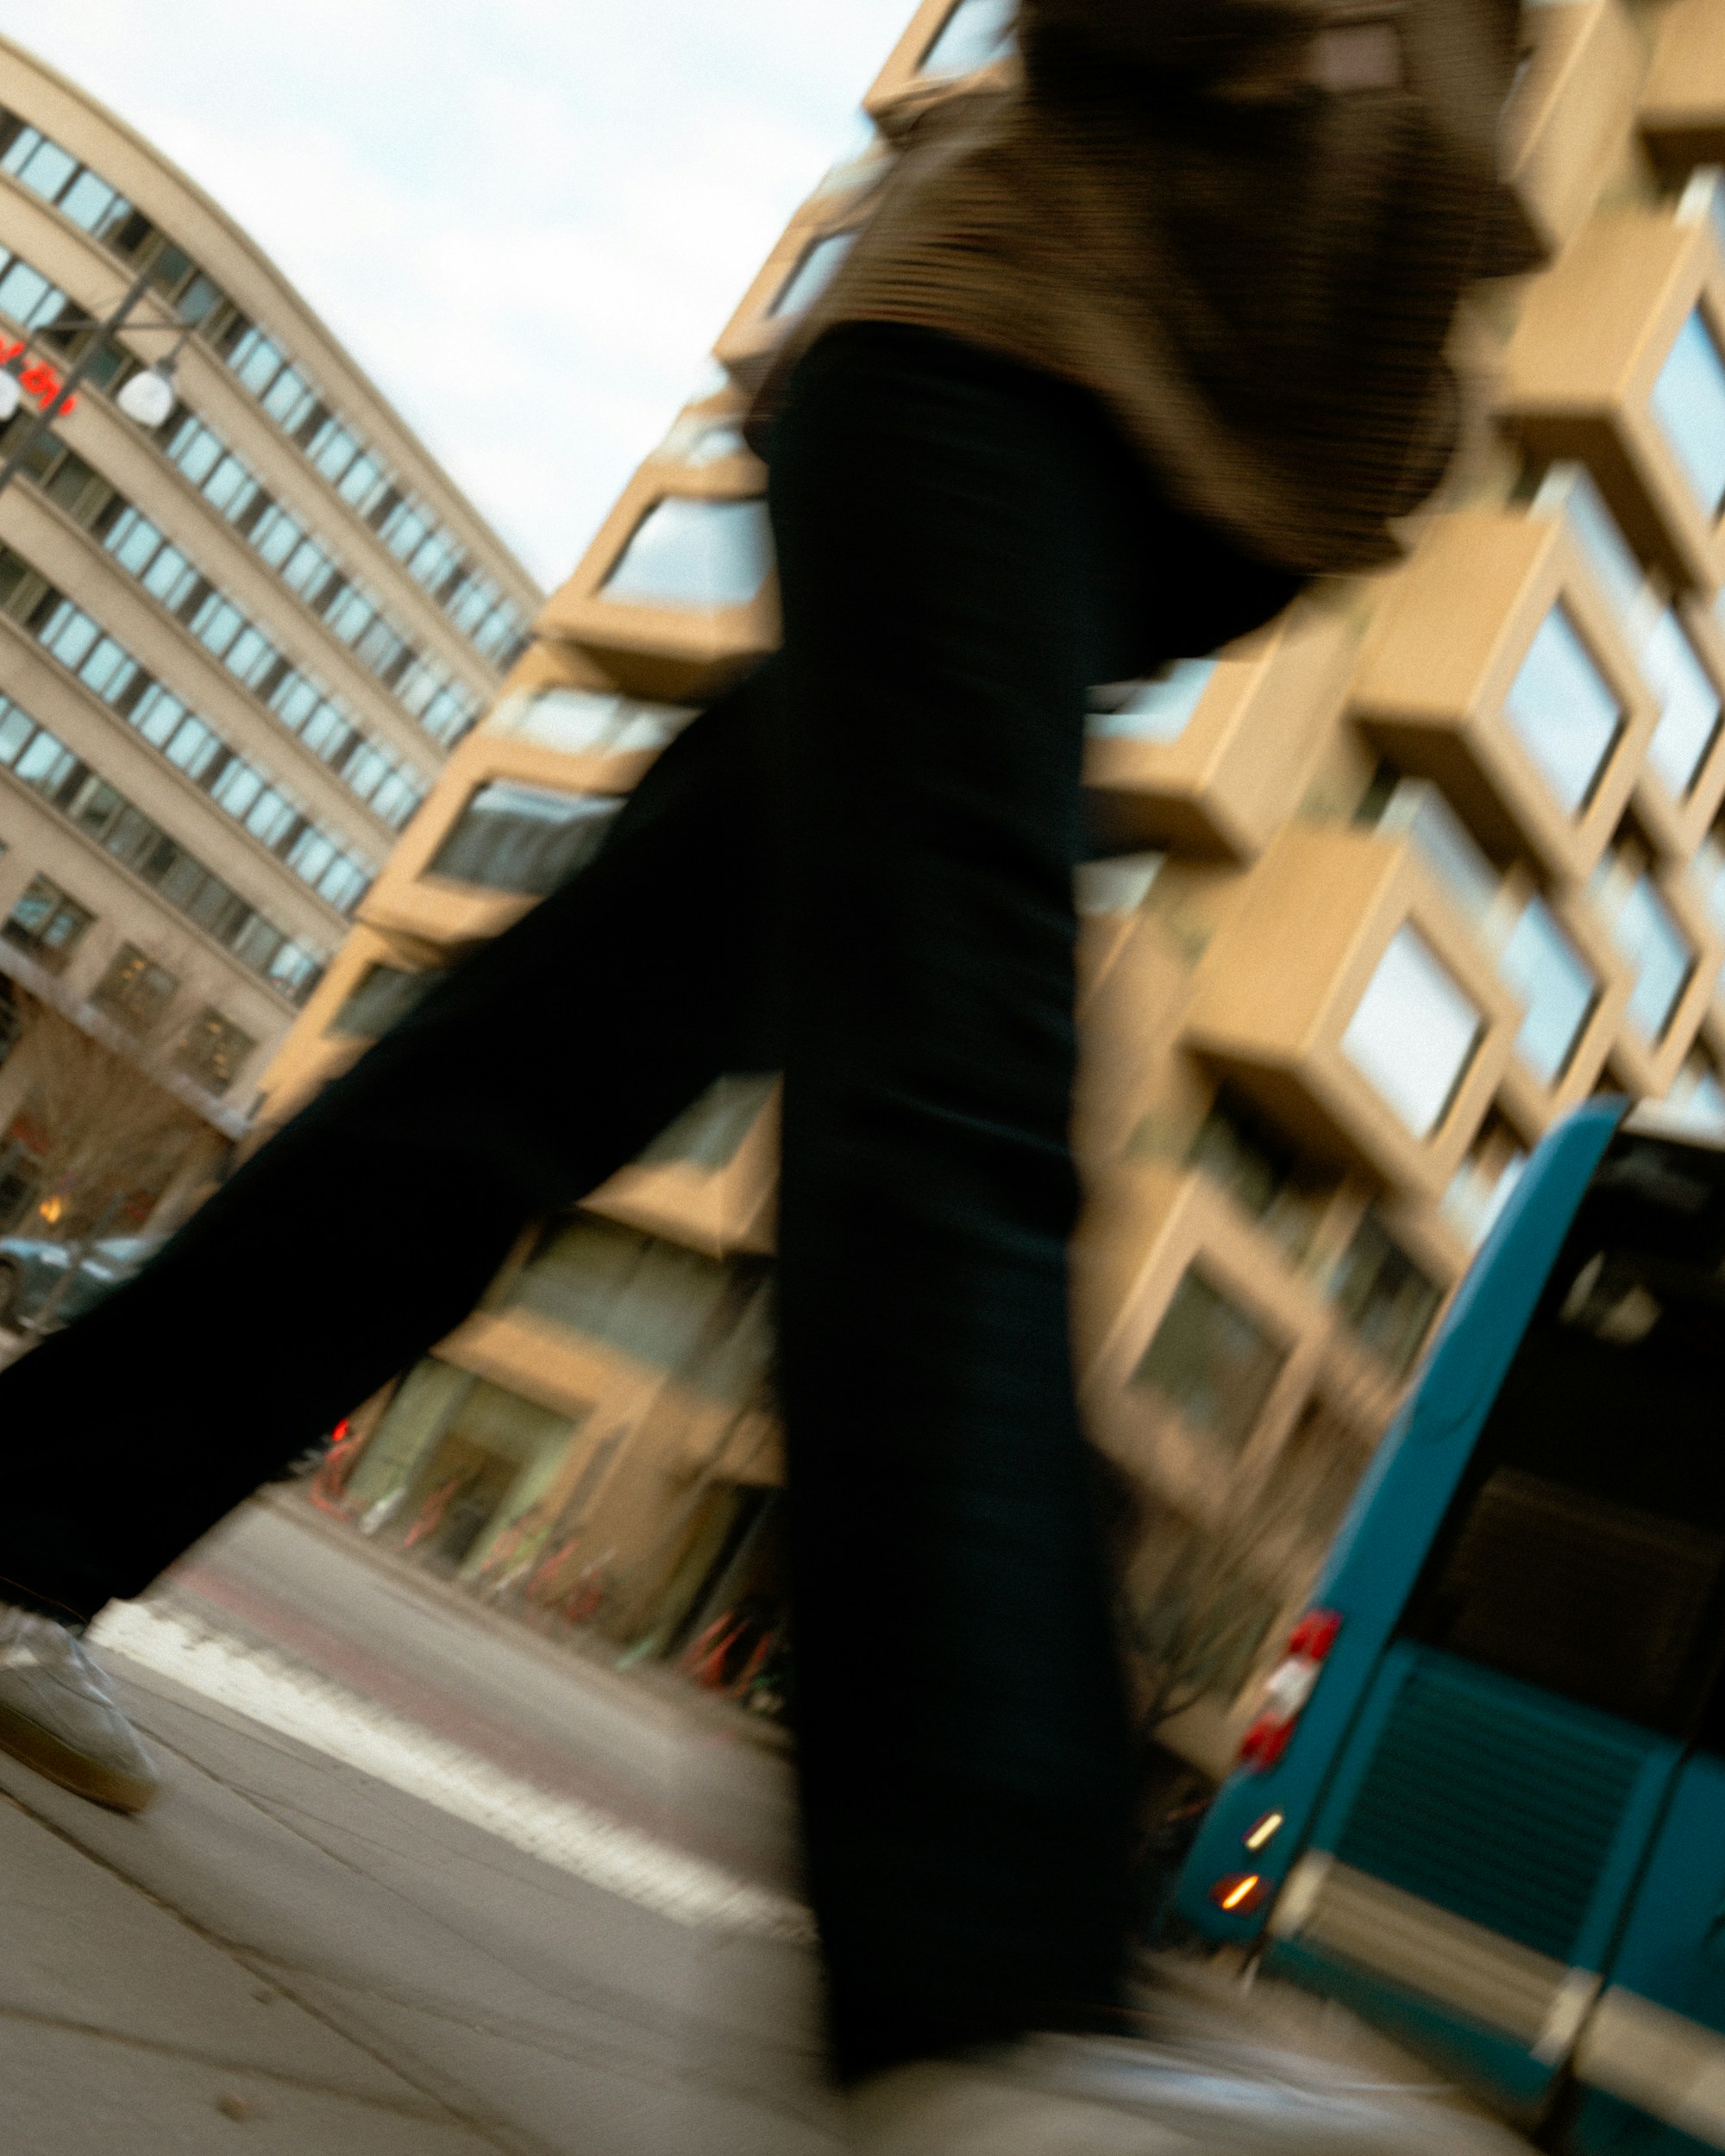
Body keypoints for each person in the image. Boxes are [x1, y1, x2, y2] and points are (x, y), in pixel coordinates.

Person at [0, 2, 1534, 2147]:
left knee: (548, 1052)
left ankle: (28, 1517)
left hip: (1087, 495)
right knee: (955, 1087)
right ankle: (987, 1992)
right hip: (984, 390)